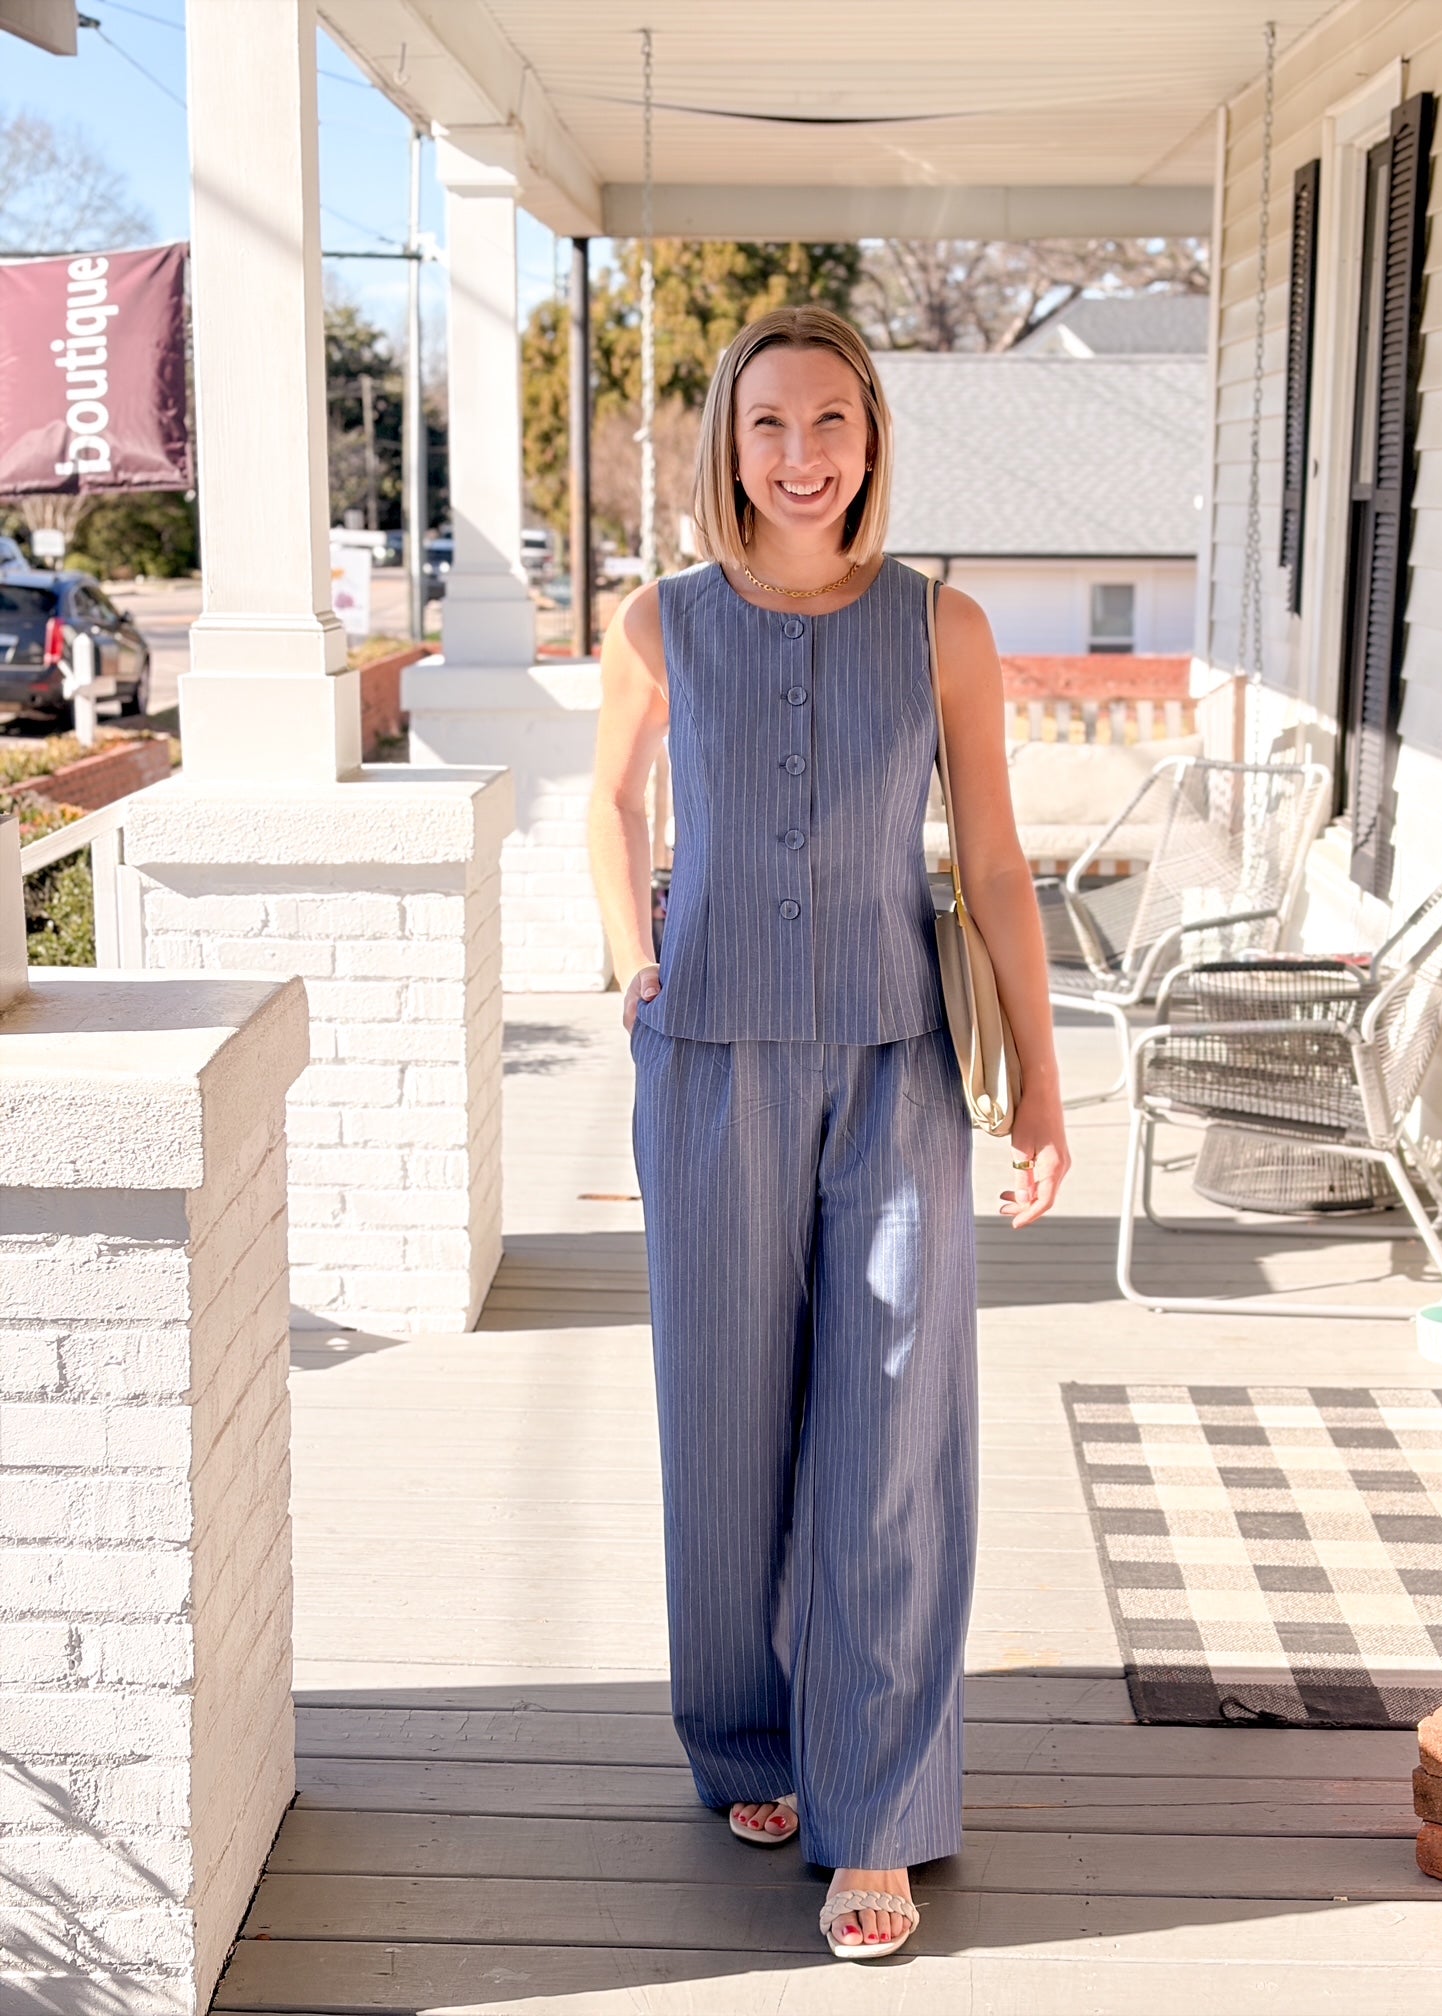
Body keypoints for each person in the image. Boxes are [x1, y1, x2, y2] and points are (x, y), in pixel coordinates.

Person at [588, 304, 1069, 1962]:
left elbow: (997, 866)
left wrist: (1050, 1091)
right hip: (705, 1057)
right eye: (769, 425)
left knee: (889, 1441)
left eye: (833, 424)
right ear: (727, 440)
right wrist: (630, 956)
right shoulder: (659, 622)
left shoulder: (947, 626)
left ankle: (875, 1812)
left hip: (898, 1070)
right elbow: (609, 801)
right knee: (721, 1430)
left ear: (874, 441)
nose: (802, 457)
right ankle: (740, 1736)